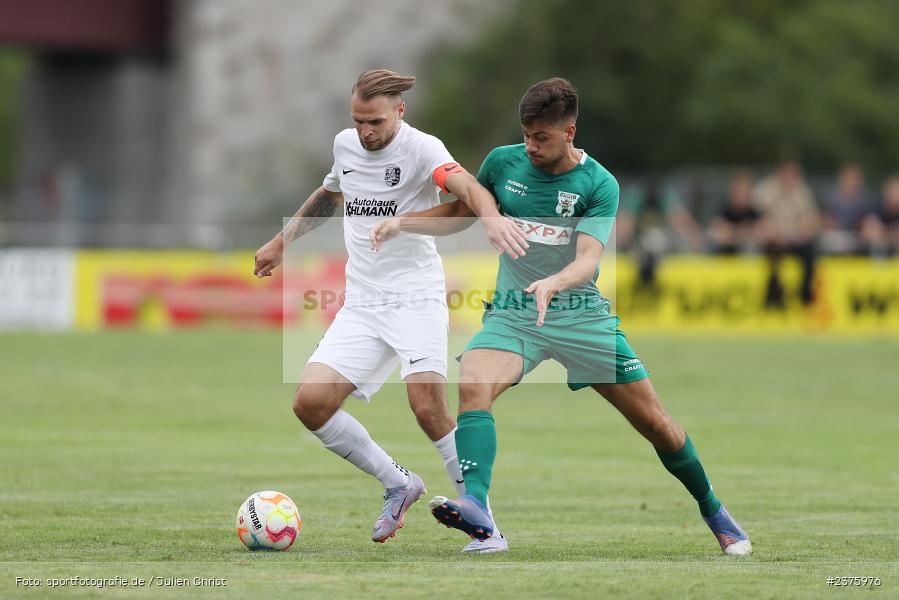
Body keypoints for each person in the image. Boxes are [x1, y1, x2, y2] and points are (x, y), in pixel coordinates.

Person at [370, 78, 751, 556]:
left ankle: (713, 509)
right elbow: (461, 213)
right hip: (514, 313)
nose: (530, 146)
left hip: (578, 314)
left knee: (656, 424)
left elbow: (589, 259)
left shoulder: (598, 184)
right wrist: (404, 221)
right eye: (526, 135)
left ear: (569, 132)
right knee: (474, 383)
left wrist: (554, 282)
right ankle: (477, 506)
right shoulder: (502, 162)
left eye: (541, 138)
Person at [253, 69, 524, 552]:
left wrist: (491, 218)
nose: (365, 132)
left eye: (375, 122)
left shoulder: (424, 148)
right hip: (362, 302)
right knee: (310, 404)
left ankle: (485, 525)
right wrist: (281, 240)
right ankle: (398, 483)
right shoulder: (345, 145)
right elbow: (330, 195)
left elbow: (465, 187)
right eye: (358, 121)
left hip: (417, 297)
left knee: (427, 407)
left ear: (400, 111)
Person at [752, 160, 820, 308]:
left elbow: (810, 219)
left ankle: (805, 294)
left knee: (810, 252)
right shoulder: (766, 190)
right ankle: (774, 295)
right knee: (773, 255)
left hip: (794, 238)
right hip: (773, 239)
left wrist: (803, 231)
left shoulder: (803, 192)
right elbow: (758, 216)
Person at [821, 163, 875, 255]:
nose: (852, 181)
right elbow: (826, 218)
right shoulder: (832, 198)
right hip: (836, 235)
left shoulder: (865, 199)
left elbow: (867, 219)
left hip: (857, 235)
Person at [709, 172, 761, 254]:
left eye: (745, 193)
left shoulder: (753, 211)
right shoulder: (723, 209)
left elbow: (763, 230)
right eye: (739, 193)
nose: (742, 197)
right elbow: (719, 231)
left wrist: (734, 232)